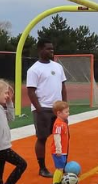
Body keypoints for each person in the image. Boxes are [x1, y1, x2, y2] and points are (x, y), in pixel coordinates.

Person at [26, 39, 67, 177]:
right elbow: (31, 92)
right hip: (43, 108)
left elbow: (63, 87)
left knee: (62, 137)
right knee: (42, 138)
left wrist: (64, 106)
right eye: (48, 49)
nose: (51, 51)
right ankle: (42, 168)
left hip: (58, 109)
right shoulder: (34, 69)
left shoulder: (58, 67)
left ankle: (62, 166)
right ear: (40, 50)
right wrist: (39, 110)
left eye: (52, 49)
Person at [50, 101, 70, 184]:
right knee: (59, 168)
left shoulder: (63, 123)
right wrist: (58, 150)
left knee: (61, 167)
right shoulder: (58, 124)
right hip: (59, 151)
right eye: (66, 112)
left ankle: (59, 181)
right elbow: (56, 137)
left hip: (63, 150)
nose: (68, 113)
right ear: (58, 113)